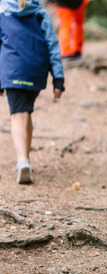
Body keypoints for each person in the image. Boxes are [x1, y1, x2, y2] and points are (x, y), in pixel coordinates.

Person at [0, 0, 65, 184]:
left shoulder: (2, 13)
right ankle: (25, 159)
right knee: (26, 112)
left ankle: (22, 161)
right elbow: (53, 46)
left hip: (13, 69)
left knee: (17, 115)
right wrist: (58, 78)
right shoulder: (40, 13)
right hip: (36, 70)